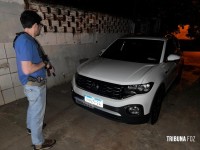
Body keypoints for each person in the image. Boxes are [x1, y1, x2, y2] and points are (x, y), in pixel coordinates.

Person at [13, 10, 56, 150]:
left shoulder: (26, 39)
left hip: (33, 84)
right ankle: (39, 143)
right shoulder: (25, 41)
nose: (40, 28)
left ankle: (31, 128)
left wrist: (46, 64)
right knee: (38, 114)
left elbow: (34, 60)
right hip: (34, 85)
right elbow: (27, 69)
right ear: (35, 25)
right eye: (40, 26)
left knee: (33, 108)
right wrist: (44, 64)